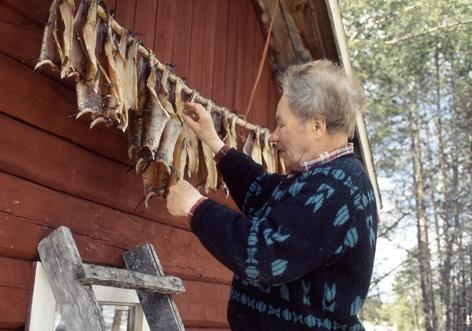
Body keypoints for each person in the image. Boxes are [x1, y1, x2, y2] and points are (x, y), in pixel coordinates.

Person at [166, 60, 378, 331]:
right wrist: (215, 143)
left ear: (317, 126)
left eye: (281, 124)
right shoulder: (319, 177)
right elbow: (263, 192)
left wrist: (196, 208)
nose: (274, 136)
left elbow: (265, 256)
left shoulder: (339, 187)